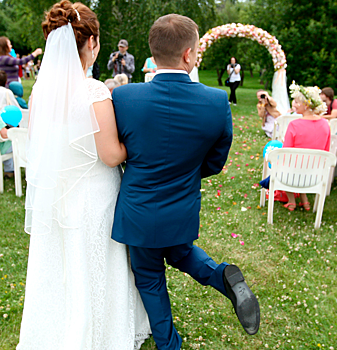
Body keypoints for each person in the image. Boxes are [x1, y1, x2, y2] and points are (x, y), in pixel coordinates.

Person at [112, 14, 260, 350]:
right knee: (179, 252)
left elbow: (117, 148)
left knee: (149, 277)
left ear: (152, 53)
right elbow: (216, 161)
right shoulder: (217, 101)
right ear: (188, 54)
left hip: (139, 208)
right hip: (181, 205)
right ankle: (223, 276)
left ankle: (169, 345)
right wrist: (185, 173)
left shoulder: (123, 98)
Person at [17, 1, 150, 349]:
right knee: (95, 264)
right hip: (93, 195)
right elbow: (110, 156)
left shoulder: (40, 93)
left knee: (61, 264)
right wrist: (131, 148)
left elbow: (37, 146)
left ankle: (55, 329)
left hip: (58, 193)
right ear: (90, 43)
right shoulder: (94, 92)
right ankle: (100, 334)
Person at [281, 83, 330, 211]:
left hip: (293, 173)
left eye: (297, 102)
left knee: (284, 162)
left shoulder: (294, 125)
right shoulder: (325, 124)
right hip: (315, 173)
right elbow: (326, 151)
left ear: (307, 105)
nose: (294, 104)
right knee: (304, 162)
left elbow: (286, 152)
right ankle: (305, 200)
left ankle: (291, 201)